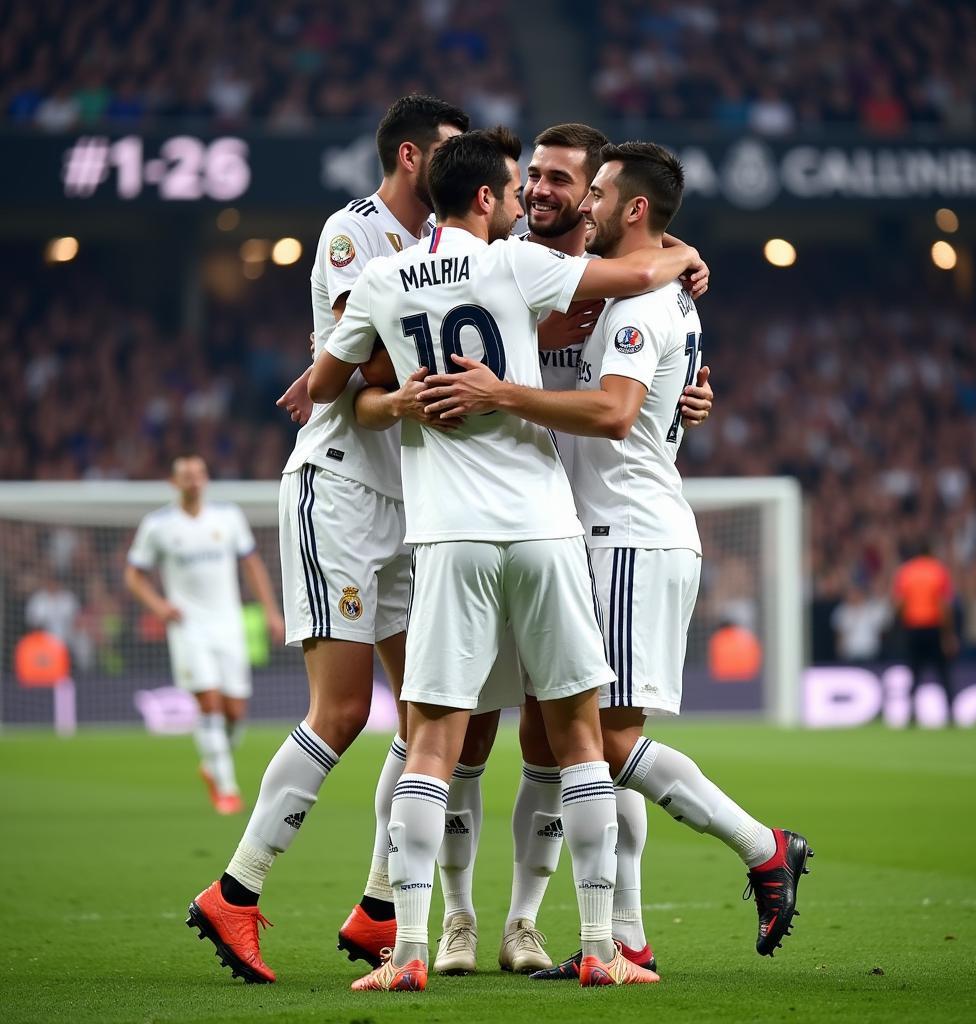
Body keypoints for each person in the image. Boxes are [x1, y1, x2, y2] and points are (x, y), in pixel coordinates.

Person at [308, 126, 709, 990]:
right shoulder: (515, 268)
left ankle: (408, 950)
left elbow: (324, 393)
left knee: (431, 744)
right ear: (490, 197)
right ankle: (603, 949)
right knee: (579, 741)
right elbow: (640, 273)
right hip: (545, 525)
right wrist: (682, 254)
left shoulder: (381, 278)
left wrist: (390, 395)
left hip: (447, 535)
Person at [419, 142, 812, 975]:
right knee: (576, 741)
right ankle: (620, 937)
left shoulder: (639, 295)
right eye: (550, 183)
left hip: (620, 532)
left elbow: (613, 409)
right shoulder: (562, 272)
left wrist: (499, 392)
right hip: (571, 531)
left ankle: (758, 848)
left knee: (597, 740)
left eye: (585, 187)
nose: (570, 199)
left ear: (625, 205)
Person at [186, 95, 470, 985]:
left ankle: (382, 908)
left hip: (409, 503)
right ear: (413, 156)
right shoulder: (354, 233)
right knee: (343, 710)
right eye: (452, 158)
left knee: (431, 715)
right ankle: (238, 890)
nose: (463, 177)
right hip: (340, 486)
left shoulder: (445, 249)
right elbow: (358, 365)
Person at [125, 455, 284, 814]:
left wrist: (272, 612)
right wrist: (160, 607)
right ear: (173, 482)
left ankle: (212, 764)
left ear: (206, 478)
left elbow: (252, 566)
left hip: (229, 625)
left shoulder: (228, 518)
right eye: (186, 476)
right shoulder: (158, 525)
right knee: (209, 703)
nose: (194, 481)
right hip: (188, 627)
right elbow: (133, 575)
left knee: (235, 712)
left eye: (199, 474)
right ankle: (226, 787)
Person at [892, 539, 957, 720]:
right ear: (930, 552)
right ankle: (950, 714)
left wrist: (899, 624)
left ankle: (911, 714)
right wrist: (948, 634)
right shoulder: (938, 571)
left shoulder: (906, 572)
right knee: (942, 672)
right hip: (934, 627)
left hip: (913, 628)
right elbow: (944, 605)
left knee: (914, 672)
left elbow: (899, 604)